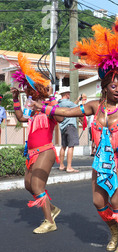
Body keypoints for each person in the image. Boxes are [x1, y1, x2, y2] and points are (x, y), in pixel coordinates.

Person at [33, 17, 118, 252]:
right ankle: (114, 231)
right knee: (98, 202)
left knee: (115, 201)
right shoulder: (93, 106)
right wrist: (46, 108)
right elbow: (68, 111)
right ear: (104, 87)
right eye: (114, 85)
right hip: (101, 159)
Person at [11, 53, 64, 233]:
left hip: (45, 151)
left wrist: (48, 102)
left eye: (29, 89)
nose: (28, 91)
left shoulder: (50, 105)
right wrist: (15, 99)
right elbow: (20, 118)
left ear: (37, 91)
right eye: (27, 89)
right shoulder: (32, 110)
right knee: (28, 185)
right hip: (31, 153)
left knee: (37, 186)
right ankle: (52, 209)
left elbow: (61, 117)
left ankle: (50, 222)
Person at [58, 90, 85, 172]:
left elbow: (72, 106)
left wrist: (77, 100)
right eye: (69, 93)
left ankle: (61, 165)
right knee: (71, 146)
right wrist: (83, 101)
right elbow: (78, 108)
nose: (69, 95)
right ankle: (69, 167)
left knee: (63, 146)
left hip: (63, 127)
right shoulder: (68, 103)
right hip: (70, 126)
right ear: (66, 94)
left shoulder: (60, 104)